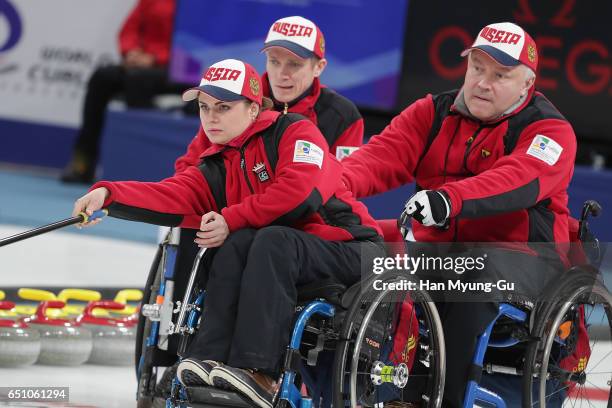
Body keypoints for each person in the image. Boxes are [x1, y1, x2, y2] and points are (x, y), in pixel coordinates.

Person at [72, 59, 384, 408]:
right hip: (291, 258)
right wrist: (109, 196)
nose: (211, 117)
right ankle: (208, 361)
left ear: (253, 108)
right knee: (236, 244)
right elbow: (171, 195)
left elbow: (299, 193)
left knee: (268, 238)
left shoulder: (295, 132)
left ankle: (260, 372)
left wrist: (231, 217)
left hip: (355, 251)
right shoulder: (217, 164)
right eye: (204, 107)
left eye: (223, 107)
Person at [341, 22, 577, 407]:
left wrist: (449, 199)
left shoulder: (550, 131)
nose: (483, 83)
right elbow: (376, 158)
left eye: (500, 75)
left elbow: (516, 180)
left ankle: (437, 400)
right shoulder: (433, 112)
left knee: (471, 280)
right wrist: (328, 189)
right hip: (440, 247)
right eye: (477, 69)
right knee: (361, 245)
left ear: (527, 83)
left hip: (525, 255)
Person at [174, 15, 363, 173]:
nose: (281, 74)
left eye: (294, 64)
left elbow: (346, 183)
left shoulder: (343, 115)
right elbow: (190, 166)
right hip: (228, 213)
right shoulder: (235, 97)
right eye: (274, 61)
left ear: (319, 67)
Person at [61, 0, 180, 183]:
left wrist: (157, 58)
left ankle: (139, 169)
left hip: (181, 69)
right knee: (103, 77)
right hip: (141, 64)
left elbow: (202, 44)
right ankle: (83, 162)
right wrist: (131, 52)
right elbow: (130, 29)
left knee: (138, 81)